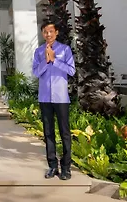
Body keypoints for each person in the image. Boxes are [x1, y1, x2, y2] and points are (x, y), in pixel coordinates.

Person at [32, 21, 75, 181]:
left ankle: (66, 168)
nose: (48, 34)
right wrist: (47, 60)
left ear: (56, 32)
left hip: (61, 98)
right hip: (44, 98)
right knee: (48, 132)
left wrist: (55, 60)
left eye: (51, 31)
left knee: (64, 133)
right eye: (45, 32)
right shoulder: (38, 52)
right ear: (42, 34)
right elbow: (36, 72)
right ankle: (52, 166)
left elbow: (71, 70)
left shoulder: (65, 49)